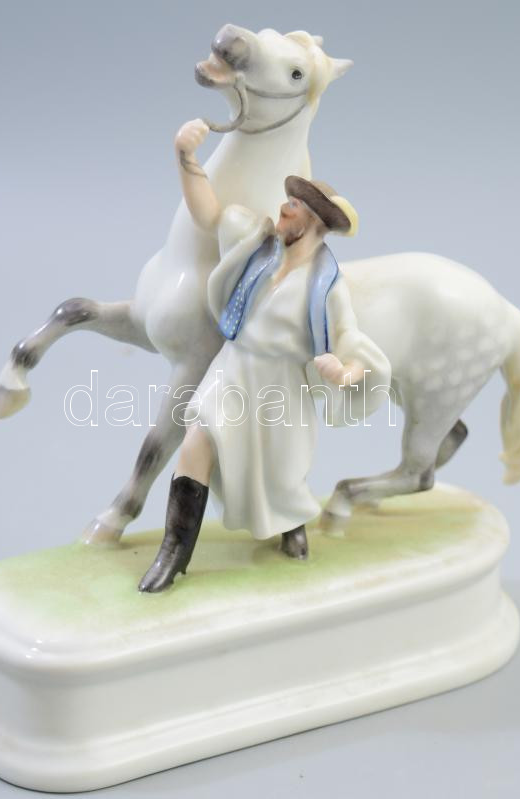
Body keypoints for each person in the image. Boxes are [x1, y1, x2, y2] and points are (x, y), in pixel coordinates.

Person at [139, 119, 390, 592]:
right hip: (233, 369)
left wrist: (344, 371)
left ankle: (291, 523)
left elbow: (351, 343)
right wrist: (187, 158)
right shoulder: (257, 246)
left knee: (280, 476)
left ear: (312, 222)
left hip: (281, 386)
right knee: (196, 443)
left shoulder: (327, 286)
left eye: (293, 206)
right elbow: (209, 214)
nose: (283, 207)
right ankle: (174, 553)